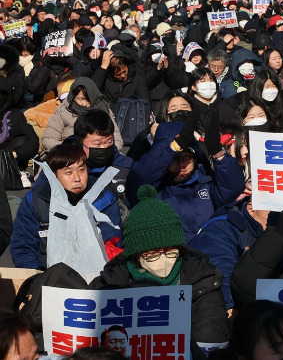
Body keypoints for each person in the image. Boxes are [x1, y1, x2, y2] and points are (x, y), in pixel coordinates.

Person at [90, 184, 230, 358]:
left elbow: (211, 331)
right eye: (152, 255)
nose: (164, 260)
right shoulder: (110, 282)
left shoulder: (203, 279)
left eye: (171, 251)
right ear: (136, 255)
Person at [126, 106, 245, 246]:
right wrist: (173, 148)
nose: (182, 164)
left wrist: (217, 151)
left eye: (187, 158)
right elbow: (142, 174)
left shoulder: (205, 181)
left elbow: (232, 190)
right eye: (175, 158)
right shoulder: (150, 188)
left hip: (206, 253)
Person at [10, 144, 123, 270]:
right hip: (48, 276)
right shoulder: (36, 200)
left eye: (81, 170)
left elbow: (113, 244)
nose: (77, 178)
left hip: (97, 277)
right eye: (68, 172)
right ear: (53, 175)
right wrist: (39, 278)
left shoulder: (104, 199)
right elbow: (23, 248)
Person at [42, 77, 124, 152]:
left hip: (100, 154)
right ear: (73, 97)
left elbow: (117, 141)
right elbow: (48, 139)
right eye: (80, 99)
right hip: (70, 154)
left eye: (88, 100)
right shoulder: (63, 111)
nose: (84, 104)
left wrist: (100, 150)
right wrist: (70, 148)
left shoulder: (104, 111)